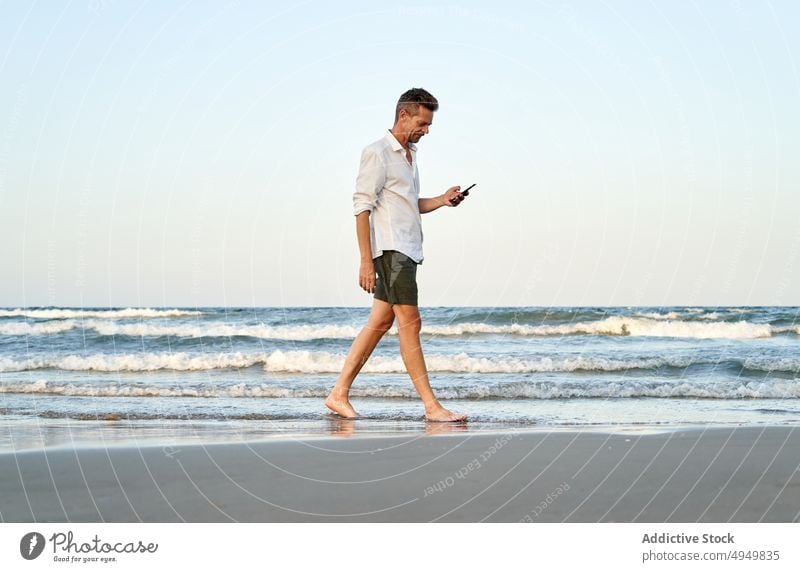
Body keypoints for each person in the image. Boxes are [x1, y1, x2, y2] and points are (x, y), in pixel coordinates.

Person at [324, 87, 468, 422]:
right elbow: (362, 207)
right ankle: (432, 407)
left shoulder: (410, 155)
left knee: (380, 322)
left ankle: (338, 393)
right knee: (410, 323)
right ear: (403, 114)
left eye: (429, 124)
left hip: (407, 250)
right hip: (392, 251)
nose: (426, 130)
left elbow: (410, 204)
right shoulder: (377, 152)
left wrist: (444, 200)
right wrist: (365, 261)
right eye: (422, 122)